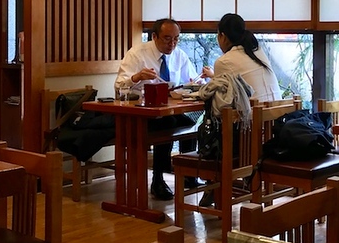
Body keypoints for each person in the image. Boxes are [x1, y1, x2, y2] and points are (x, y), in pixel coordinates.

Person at [115, 17, 210, 200]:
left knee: (190, 126)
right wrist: (136, 77)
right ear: (154, 36)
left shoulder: (179, 55)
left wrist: (198, 81)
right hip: (141, 113)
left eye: (176, 39)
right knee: (168, 124)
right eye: (167, 38)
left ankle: (189, 175)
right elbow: (119, 86)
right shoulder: (137, 54)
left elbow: (189, 81)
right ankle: (157, 179)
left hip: (167, 109)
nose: (172, 44)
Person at [210, 13, 282, 103]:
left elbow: (220, 100)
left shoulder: (223, 61)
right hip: (279, 109)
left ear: (223, 37)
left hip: (254, 111)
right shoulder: (258, 51)